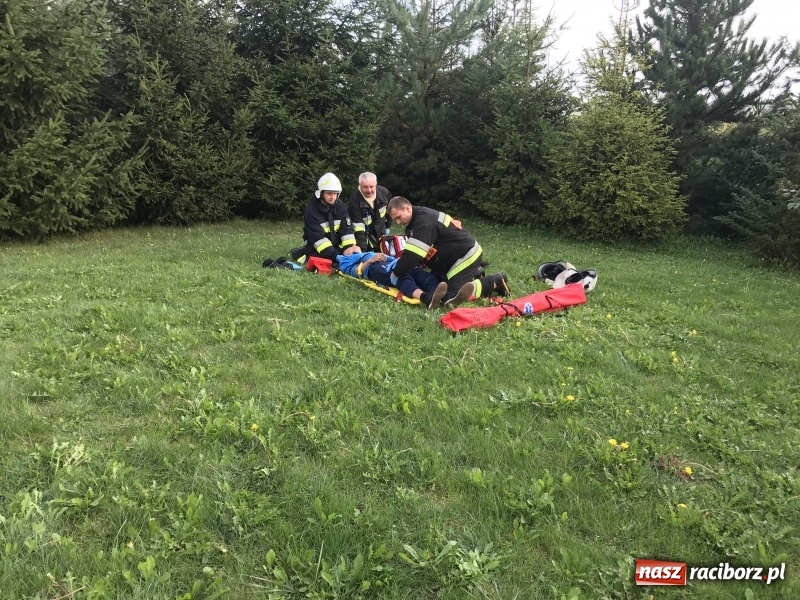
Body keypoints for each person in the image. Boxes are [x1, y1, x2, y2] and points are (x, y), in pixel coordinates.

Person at [386, 196, 509, 306]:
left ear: (407, 208)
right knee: (436, 288)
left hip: (465, 255)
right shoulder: (416, 221)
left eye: (399, 217)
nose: (398, 222)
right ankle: (475, 274)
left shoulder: (424, 223)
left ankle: (496, 281)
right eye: (395, 219)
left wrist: (396, 272)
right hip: (448, 260)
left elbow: (413, 255)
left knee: (451, 297)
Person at [336, 252, 448, 310]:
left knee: (419, 273)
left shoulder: (362, 252)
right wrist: (369, 261)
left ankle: (440, 295)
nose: (353, 245)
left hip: (391, 262)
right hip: (375, 268)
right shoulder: (344, 259)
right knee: (399, 275)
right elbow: (355, 272)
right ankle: (426, 298)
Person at [300, 173, 360, 261]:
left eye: (335, 193)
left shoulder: (341, 207)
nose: (333, 197)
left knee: (355, 251)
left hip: (337, 248)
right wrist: (336, 256)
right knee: (320, 261)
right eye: (329, 193)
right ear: (321, 193)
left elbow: (347, 230)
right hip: (319, 249)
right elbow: (318, 239)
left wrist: (349, 248)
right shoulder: (311, 211)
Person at [347, 172, 393, 251]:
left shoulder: (384, 193)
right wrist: (363, 250)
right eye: (365, 187)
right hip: (366, 237)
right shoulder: (354, 201)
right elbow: (358, 229)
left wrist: (388, 226)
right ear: (360, 185)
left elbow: (390, 211)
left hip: (382, 233)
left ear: (376, 184)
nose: (369, 190)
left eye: (371, 186)